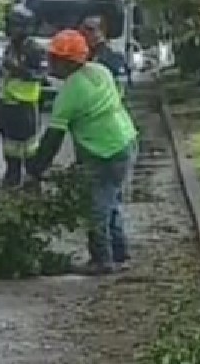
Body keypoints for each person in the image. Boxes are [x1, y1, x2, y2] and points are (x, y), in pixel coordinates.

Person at [27, 29, 139, 275]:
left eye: (54, 58)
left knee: (96, 207)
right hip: (125, 141)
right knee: (111, 201)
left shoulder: (70, 93)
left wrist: (34, 169)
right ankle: (120, 253)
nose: (50, 63)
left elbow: (52, 140)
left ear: (67, 62)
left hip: (104, 152)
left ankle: (102, 260)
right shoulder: (100, 71)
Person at [0, 4, 45, 187]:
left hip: (26, 109)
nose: (11, 30)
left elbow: (41, 75)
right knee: (10, 151)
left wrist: (19, 70)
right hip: (8, 107)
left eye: (15, 25)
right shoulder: (10, 47)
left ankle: (32, 185)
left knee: (30, 152)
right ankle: (12, 179)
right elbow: (5, 78)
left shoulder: (34, 49)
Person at [80, 16, 130, 94]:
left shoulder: (113, 59)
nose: (85, 33)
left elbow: (122, 83)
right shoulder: (80, 57)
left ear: (102, 32)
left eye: (90, 29)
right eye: (82, 30)